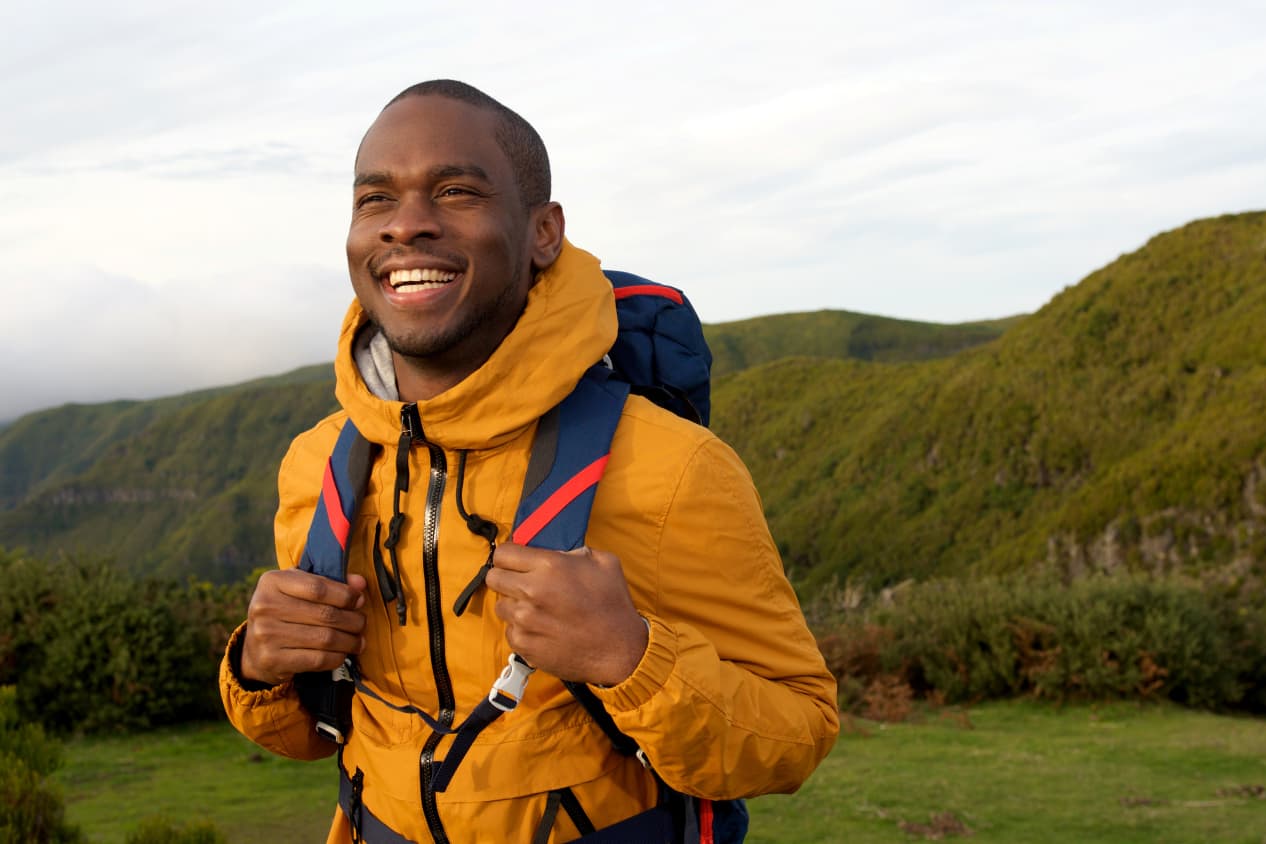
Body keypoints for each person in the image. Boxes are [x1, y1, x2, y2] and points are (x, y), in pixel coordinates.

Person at [219, 79, 839, 842]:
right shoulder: (318, 464)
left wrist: (632, 658)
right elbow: (311, 737)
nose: (406, 225)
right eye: (375, 199)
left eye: (454, 191)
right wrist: (258, 665)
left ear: (543, 232)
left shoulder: (673, 467)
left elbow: (797, 733)